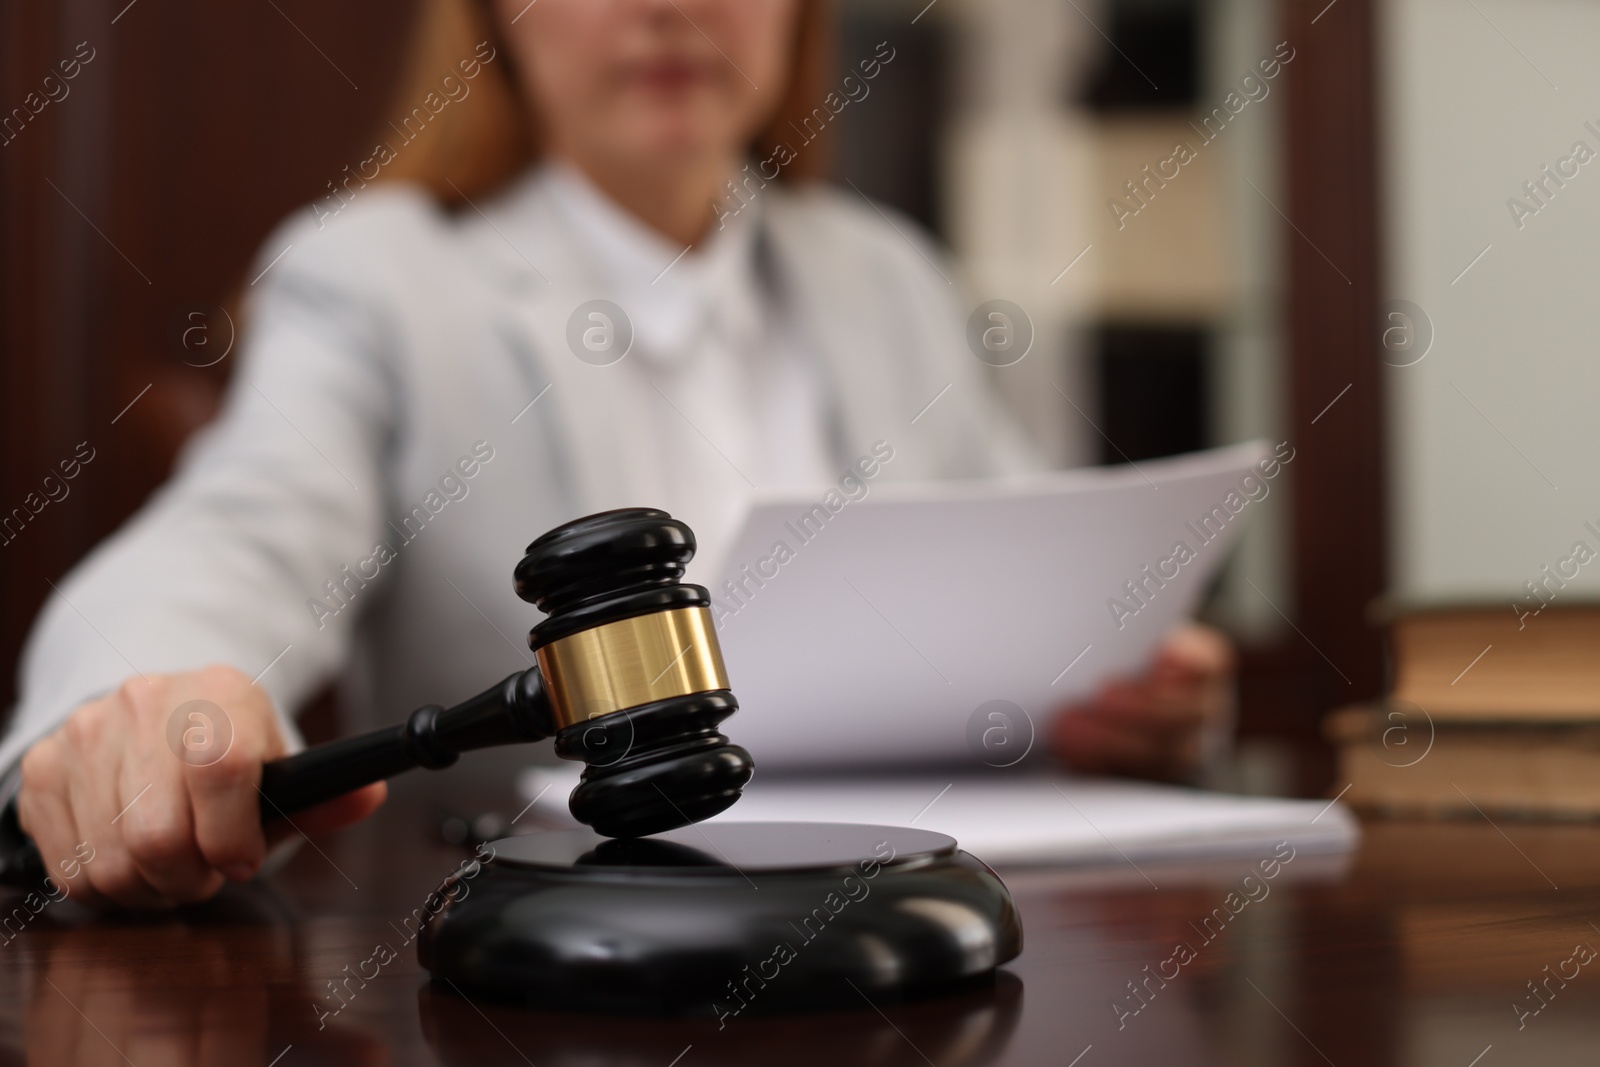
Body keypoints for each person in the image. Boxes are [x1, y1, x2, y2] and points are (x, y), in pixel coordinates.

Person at [0, 0, 1234, 909]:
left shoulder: (884, 276)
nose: (673, 9)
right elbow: (238, 531)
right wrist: (139, 709)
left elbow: (1031, 567)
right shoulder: (374, 275)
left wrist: (1129, 680)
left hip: (904, 911)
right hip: (554, 952)